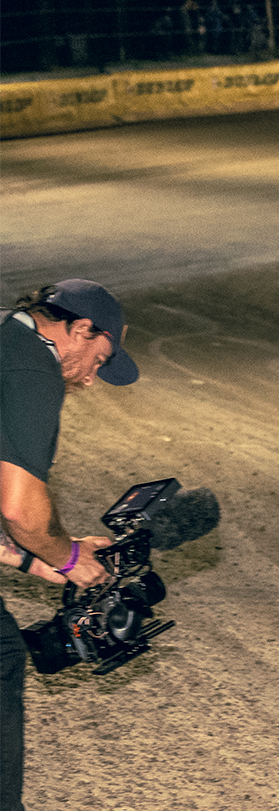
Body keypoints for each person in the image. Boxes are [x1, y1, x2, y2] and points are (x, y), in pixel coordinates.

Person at [1, 280, 135, 808]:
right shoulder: (33, 369)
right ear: (79, 329)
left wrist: (34, 561)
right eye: (98, 359)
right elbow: (18, 508)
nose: (92, 378)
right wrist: (71, 559)